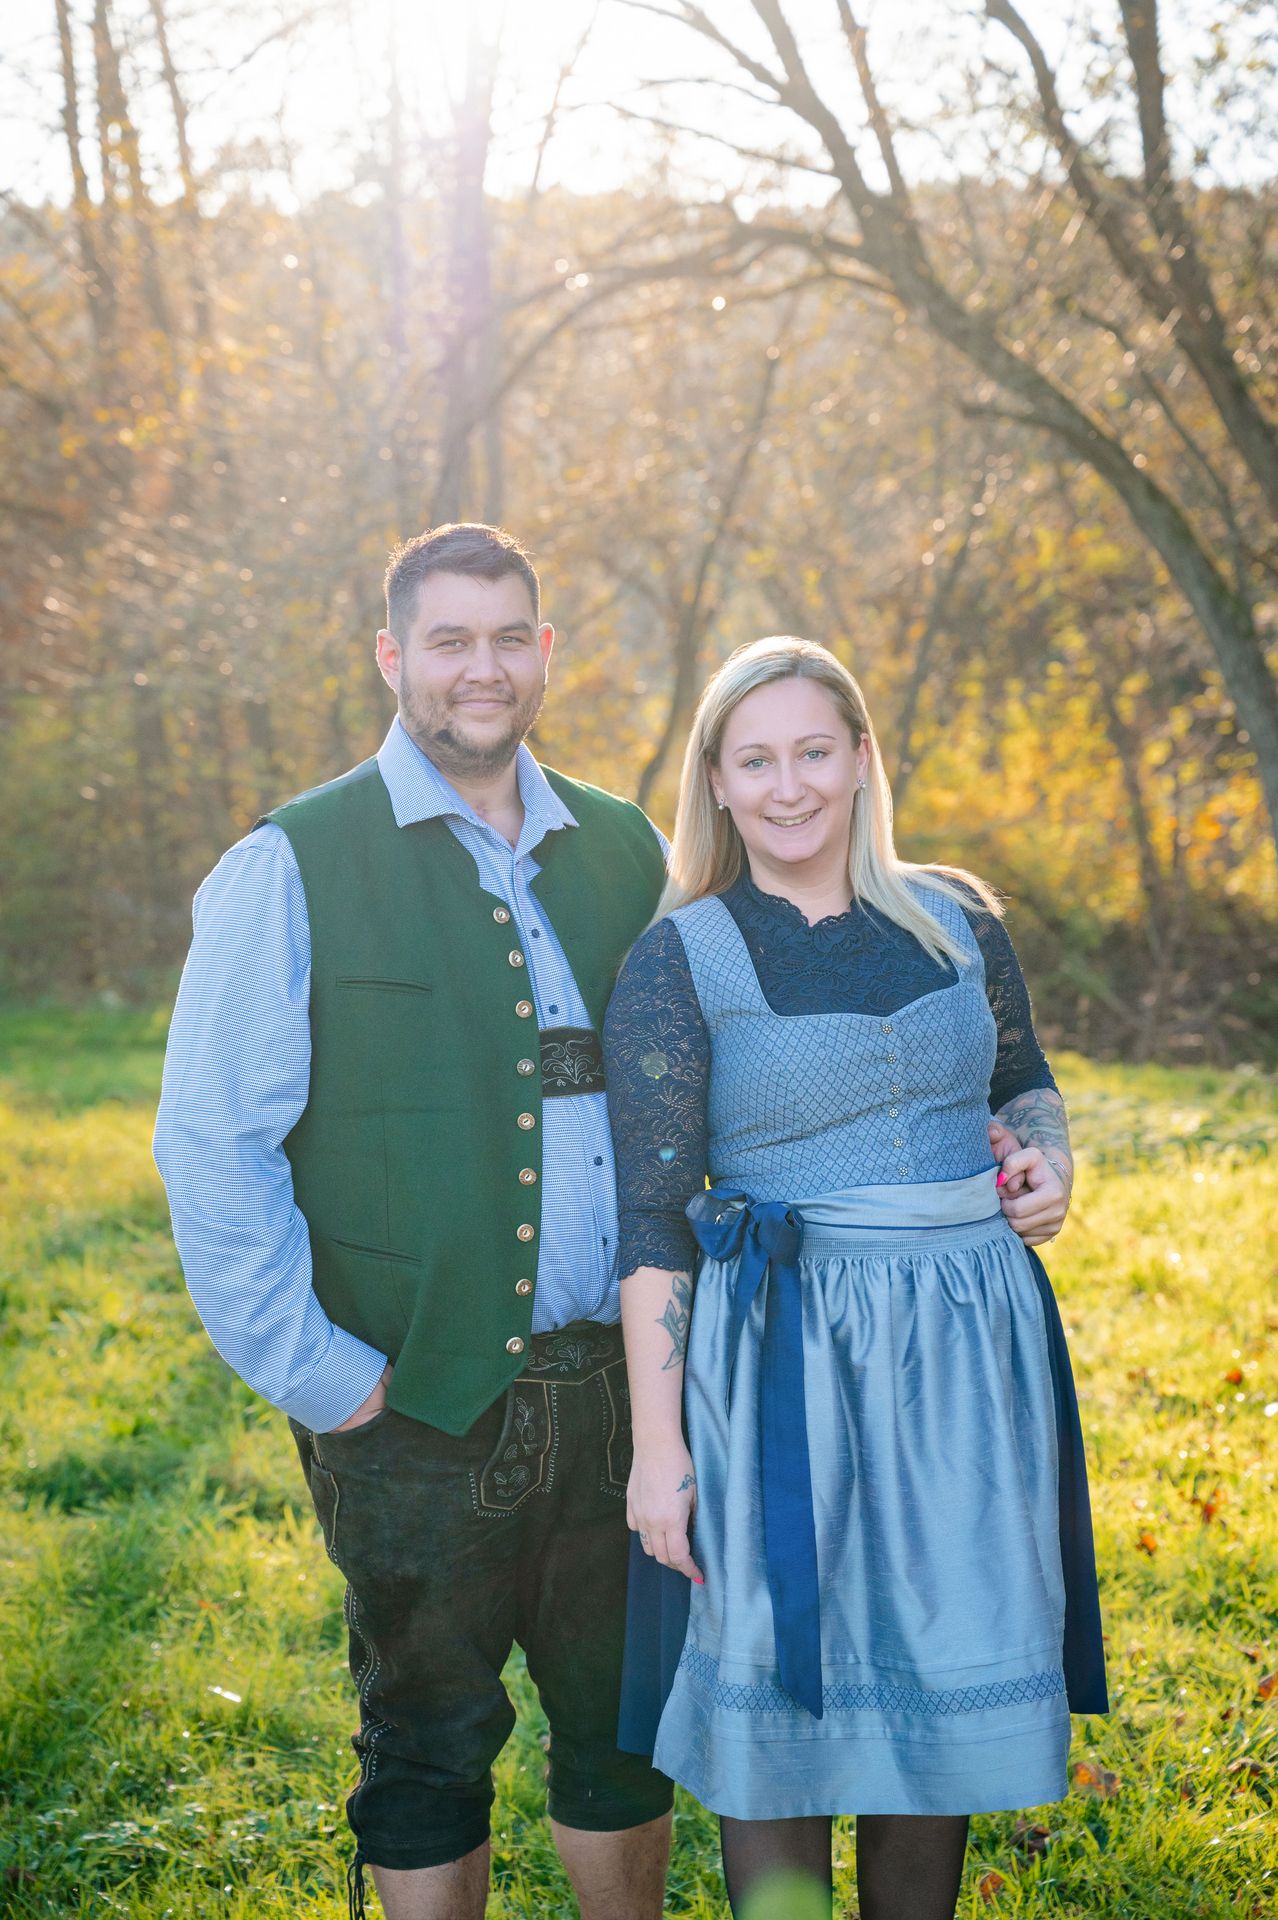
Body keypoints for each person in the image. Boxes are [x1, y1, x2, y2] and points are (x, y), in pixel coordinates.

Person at [153, 523, 675, 1920]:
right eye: (448, 640)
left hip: (624, 1395)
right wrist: (328, 1380)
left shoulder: (626, 848)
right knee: (427, 1748)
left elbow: (714, 1087)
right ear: (393, 657)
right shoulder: (292, 862)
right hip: (414, 1404)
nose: (482, 669)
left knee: (625, 1740)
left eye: (510, 637)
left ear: (546, 652)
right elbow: (211, 1143)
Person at [603, 636, 1107, 1920]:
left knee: (929, 1699)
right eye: (755, 759)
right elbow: (655, 1226)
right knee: (780, 1684)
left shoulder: (957, 918)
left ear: (862, 757)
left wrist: (1048, 1159)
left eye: (813, 752)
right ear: (715, 781)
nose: (789, 787)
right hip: (783, 1358)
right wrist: (658, 1452)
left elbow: (1021, 1083)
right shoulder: (680, 960)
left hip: (962, 1362)